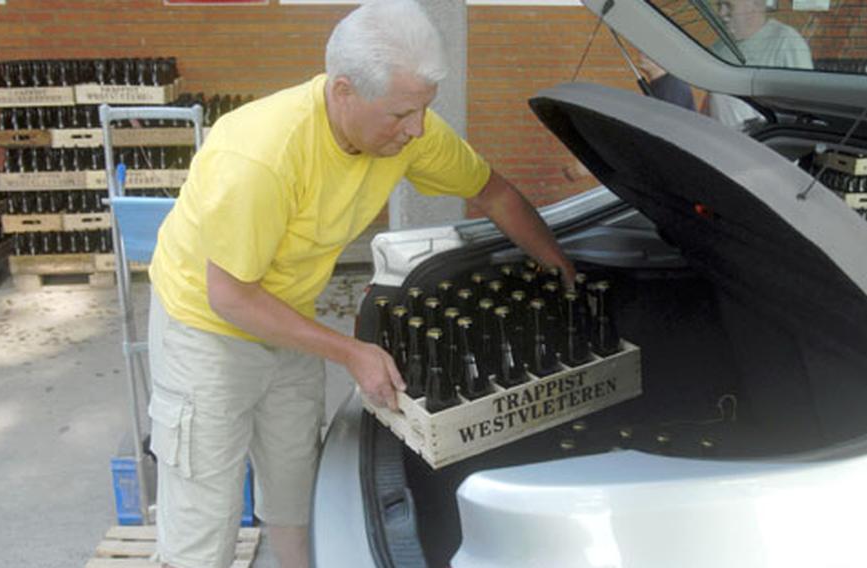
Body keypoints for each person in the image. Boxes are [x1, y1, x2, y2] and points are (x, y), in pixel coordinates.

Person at [145, 1, 575, 567]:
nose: (416, 128)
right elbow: (229, 295)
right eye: (401, 113)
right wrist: (350, 353)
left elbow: (493, 193)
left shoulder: (408, 131)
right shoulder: (261, 157)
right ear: (342, 91)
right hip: (204, 330)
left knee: (297, 496)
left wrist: (560, 267)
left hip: (283, 318)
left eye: (423, 109)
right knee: (204, 527)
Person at [704, 0, 813, 129]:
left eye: (728, 5)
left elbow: (806, 109)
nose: (721, 13)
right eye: (719, 5)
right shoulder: (718, 49)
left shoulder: (786, 42)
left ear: (754, 4)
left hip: (766, 140)